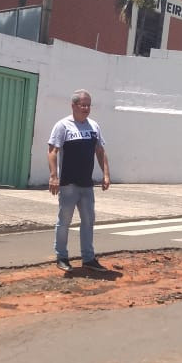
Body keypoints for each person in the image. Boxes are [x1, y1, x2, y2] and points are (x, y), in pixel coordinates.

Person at [48, 89, 111, 272]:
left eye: (88, 105)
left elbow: (100, 151)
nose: (86, 108)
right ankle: (62, 256)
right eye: (82, 105)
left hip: (86, 184)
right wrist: (54, 176)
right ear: (73, 106)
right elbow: (52, 151)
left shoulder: (94, 126)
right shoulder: (63, 126)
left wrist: (106, 174)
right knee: (64, 221)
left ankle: (88, 258)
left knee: (88, 220)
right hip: (68, 184)